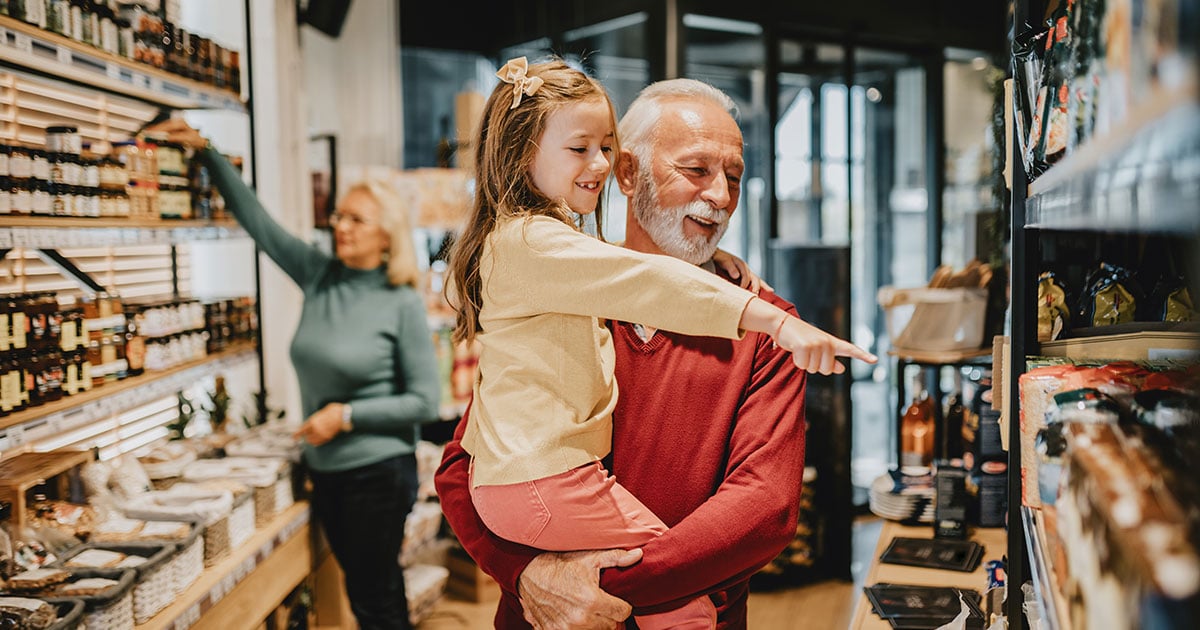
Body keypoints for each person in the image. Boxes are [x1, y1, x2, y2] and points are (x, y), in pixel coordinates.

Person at [439, 58, 874, 628]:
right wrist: (528, 576)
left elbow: (763, 509)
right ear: (625, 174)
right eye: (694, 169)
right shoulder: (556, 291)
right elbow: (466, 463)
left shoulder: (768, 326)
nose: (720, 195)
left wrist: (594, 586)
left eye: (735, 176)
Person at [147, 119, 441, 630]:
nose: (340, 226)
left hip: (377, 472)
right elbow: (259, 223)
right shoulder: (319, 274)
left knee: (376, 600)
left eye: (357, 220)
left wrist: (344, 416)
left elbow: (424, 401)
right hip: (325, 469)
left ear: (386, 237)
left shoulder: (400, 303)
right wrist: (207, 151)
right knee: (362, 592)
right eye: (340, 216)